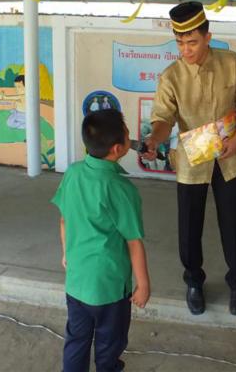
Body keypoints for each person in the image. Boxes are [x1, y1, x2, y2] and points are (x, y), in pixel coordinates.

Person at [142, 1, 236, 316]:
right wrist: (154, 138)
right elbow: (163, 118)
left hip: (229, 158)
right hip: (192, 162)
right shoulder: (171, 76)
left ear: (208, 37)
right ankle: (193, 281)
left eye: (192, 42)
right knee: (189, 227)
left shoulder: (231, 62)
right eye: (180, 42)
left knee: (233, 224)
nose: (186, 49)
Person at [52, 109, 150, 372]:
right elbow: (133, 242)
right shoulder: (121, 189)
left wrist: (66, 253)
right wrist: (143, 284)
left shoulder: (73, 173)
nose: (131, 138)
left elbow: (64, 220)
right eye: (128, 135)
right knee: (109, 343)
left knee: (76, 339)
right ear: (117, 149)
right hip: (110, 288)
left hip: (76, 282)